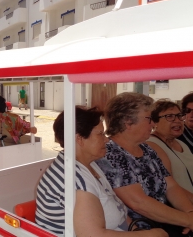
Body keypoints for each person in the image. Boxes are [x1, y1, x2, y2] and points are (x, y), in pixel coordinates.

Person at [35, 106, 166, 237]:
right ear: (79, 139)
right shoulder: (77, 181)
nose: (106, 139)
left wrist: (136, 230)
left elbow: (116, 207)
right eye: (100, 134)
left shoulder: (87, 164)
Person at [96, 92, 193, 236]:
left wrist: (189, 213)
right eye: (149, 119)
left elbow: (171, 186)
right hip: (142, 230)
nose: (153, 124)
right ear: (128, 122)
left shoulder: (146, 149)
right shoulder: (111, 154)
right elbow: (139, 203)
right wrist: (187, 220)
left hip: (167, 221)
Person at [146, 99, 193, 194]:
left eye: (179, 116)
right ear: (155, 122)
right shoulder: (151, 145)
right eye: (169, 116)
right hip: (180, 204)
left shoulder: (182, 144)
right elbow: (169, 187)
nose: (178, 121)